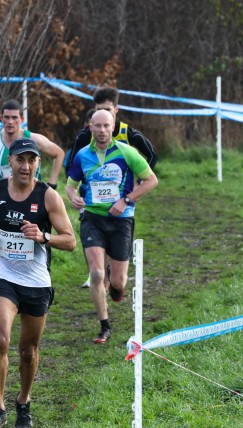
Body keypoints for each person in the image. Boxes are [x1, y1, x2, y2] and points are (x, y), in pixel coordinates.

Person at [0, 137, 76, 428]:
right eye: (20, 159)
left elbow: (70, 240)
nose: (26, 166)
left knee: (28, 351)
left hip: (36, 281)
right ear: (10, 163)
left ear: (38, 164)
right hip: (4, 275)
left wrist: (44, 237)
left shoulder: (48, 197)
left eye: (31, 160)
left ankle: (23, 400)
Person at [65, 110, 158, 344]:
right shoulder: (83, 155)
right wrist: (73, 197)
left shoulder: (127, 152)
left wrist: (126, 200)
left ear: (113, 125)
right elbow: (70, 185)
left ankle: (114, 286)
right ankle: (104, 326)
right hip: (93, 217)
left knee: (118, 283)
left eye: (106, 126)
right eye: (97, 126)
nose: (102, 130)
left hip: (121, 219)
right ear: (90, 127)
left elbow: (151, 180)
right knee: (95, 273)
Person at [66, 87, 158, 289]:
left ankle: (112, 276)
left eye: (108, 109)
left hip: (122, 198)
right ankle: (98, 277)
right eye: (99, 109)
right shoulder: (85, 136)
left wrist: (138, 184)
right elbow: (70, 166)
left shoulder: (128, 133)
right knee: (96, 244)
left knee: (116, 259)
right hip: (91, 200)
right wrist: (74, 192)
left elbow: (152, 156)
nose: (102, 128)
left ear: (116, 110)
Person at [0, 99, 65, 189]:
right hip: (4, 197)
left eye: (14, 117)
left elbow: (59, 153)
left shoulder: (34, 139)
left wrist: (52, 184)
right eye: (7, 117)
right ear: (1, 119)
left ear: (22, 119)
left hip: (33, 195)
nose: (10, 122)